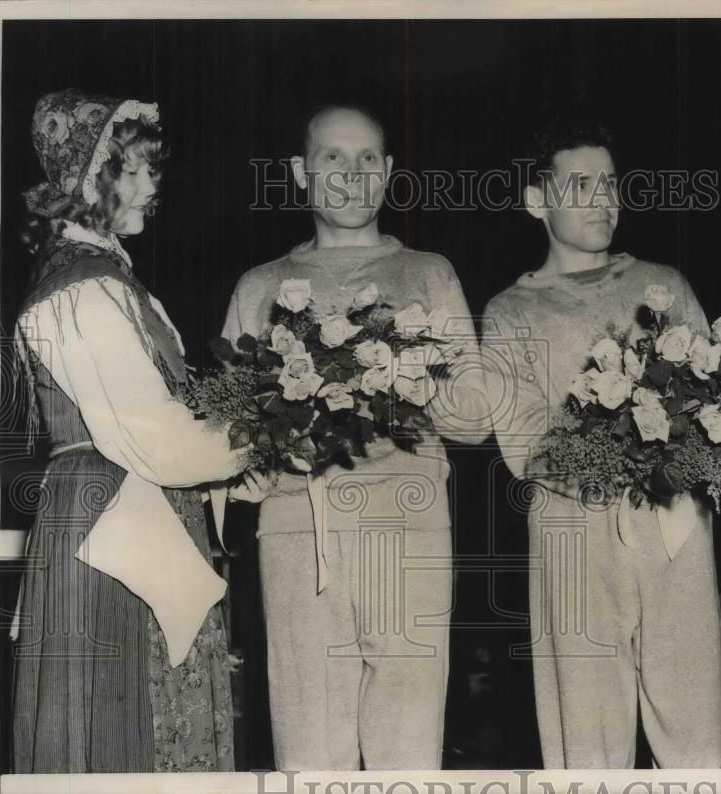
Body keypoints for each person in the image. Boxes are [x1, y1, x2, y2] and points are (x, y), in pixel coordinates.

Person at [222, 104, 491, 770]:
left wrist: (408, 371)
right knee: (310, 746)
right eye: (333, 158)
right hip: (298, 533)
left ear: (390, 171)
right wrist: (244, 467)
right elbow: (228, 425)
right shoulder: (258, 287)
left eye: (368, 158)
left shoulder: (430, 271)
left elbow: (476, 415)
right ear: (299, 173)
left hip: (407, 522)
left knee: (408, 744)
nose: (351, 174)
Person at [11, 89, 264, 773]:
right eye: (135, 168)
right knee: (120, 729)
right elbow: (152, 436)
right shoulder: (78, 290)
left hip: (138, 507)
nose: (154, 184)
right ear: (90, 176)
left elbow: (170, 429)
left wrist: (235, 468)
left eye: (155, 169)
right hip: (108, 521)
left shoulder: (117, 284)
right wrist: (259, 435)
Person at [481, 124, 721, 769]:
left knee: (697, 727)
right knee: (587, 741)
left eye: (612, 185)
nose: (604, 200)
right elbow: (523, 444)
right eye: (581, 185)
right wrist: (619, 429)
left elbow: (714, 410)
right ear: (537, 202)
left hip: (671, 524)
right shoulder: (509, 311)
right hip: (573, 530)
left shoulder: (663, 285)